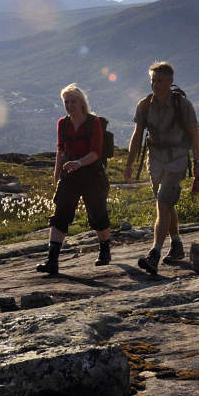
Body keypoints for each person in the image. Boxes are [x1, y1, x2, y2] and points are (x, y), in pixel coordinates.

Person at [123, 62, 199, 275]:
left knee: (162, 202)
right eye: (153, 81)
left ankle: (154, 253)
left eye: (159, 81)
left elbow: (194, 135)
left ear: (170, 81)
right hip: (155, 161)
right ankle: (176, 244)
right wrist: (129, 164)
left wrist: (197, 163)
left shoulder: (182, 105)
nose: (155, 85)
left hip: (177, 160)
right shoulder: (144, 105)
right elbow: (137, 135)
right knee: (166, 204)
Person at [37, 83, 112, 275]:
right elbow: (61, 151)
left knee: (97, 214)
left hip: (92, 173)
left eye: (73, 102)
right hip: (69, 174)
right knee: (60, 215)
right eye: (66, 102)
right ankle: (52, 260)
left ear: (81, 103)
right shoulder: (63, 124)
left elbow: (96, 152)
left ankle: (105, 249)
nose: (69, 105)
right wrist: (56, 175)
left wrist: (78, 163)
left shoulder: (93, 122)